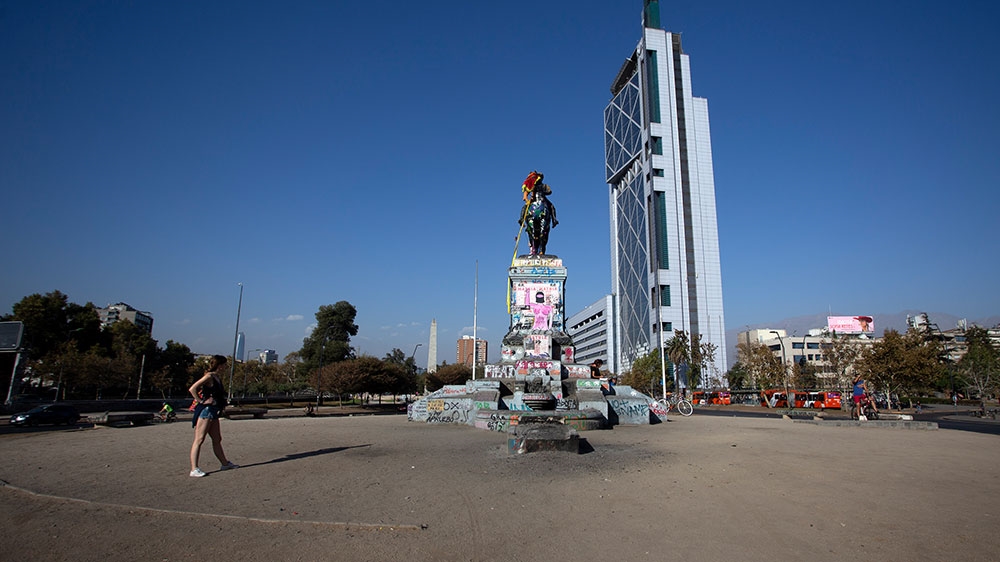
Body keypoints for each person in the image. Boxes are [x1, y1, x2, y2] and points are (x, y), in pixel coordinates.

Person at [188, 355, 238, 477]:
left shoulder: (216, 377)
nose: (226, 367)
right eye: (225, 365)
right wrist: (201, 401)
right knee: (199, 439)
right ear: (220, 365)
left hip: (214, 411)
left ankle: (224, 463)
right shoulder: (209, 376)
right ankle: (194, 468)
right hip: (206, 410)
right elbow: (192, 389)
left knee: (217, 439)